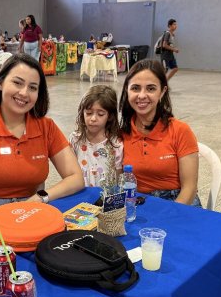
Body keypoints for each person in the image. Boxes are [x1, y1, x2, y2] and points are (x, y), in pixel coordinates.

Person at [0, 52, 84, 217]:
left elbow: (76, 178)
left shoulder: (46, 127)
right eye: (17, 83)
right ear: (0, 83)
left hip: (30, 211)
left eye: (33, 87)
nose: (24, 93)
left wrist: (40, 197)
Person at [118, 59, 199, 205]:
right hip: (137, 204)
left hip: (178, 203)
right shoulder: (121, 134)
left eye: (151, 89)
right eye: (135, 88)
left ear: (162, 91)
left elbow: (190, 188)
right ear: (126, 90)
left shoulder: (180, 130)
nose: (142, 95)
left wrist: (169, 214)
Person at [69, 85, 123, 188]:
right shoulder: (75, 139)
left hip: (106, 195)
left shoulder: (116, 143)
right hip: (81, 193)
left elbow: (119, 177)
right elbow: (69, 172)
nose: (93, 118)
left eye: (100, 114)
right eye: (89, 113)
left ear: (110, 116)